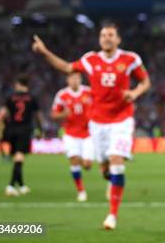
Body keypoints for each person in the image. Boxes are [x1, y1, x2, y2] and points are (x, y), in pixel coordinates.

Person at [32, 22, 151, 229]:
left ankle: (112, 215)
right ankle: (110, 179)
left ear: (118, 39)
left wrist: (134, 93)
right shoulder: (90, 60)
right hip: (97, 123)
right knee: (106, 169)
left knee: (117, 162)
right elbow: (67, 68)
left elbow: (145, 82)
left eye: (111, 35)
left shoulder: (130, 59)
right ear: (99, 39)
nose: (107, 38)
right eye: (103, 35)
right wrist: (44, 52)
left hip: (122, 119)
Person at [0, 74, 44, 197]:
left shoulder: (11, 97)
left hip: (11, 130)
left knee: (16, 158)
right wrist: (40, 129)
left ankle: (21, 186)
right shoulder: (32, 98)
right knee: (19, 158)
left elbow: (2, 114)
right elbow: (38, 116)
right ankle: (10, 186)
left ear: (19, 84)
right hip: (24, 130)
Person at [51, 71, 94, 201]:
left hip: (88, 134)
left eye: (77, 78)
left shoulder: (89, 92)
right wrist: (63, 114)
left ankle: (84, 162)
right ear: (67, 80)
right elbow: (54, 115)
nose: (74, 80)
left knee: (87, 165)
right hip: (70, 134)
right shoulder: (62, 95)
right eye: (72, 78)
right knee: (74, 160)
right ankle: (81, 191)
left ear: (80, 79)